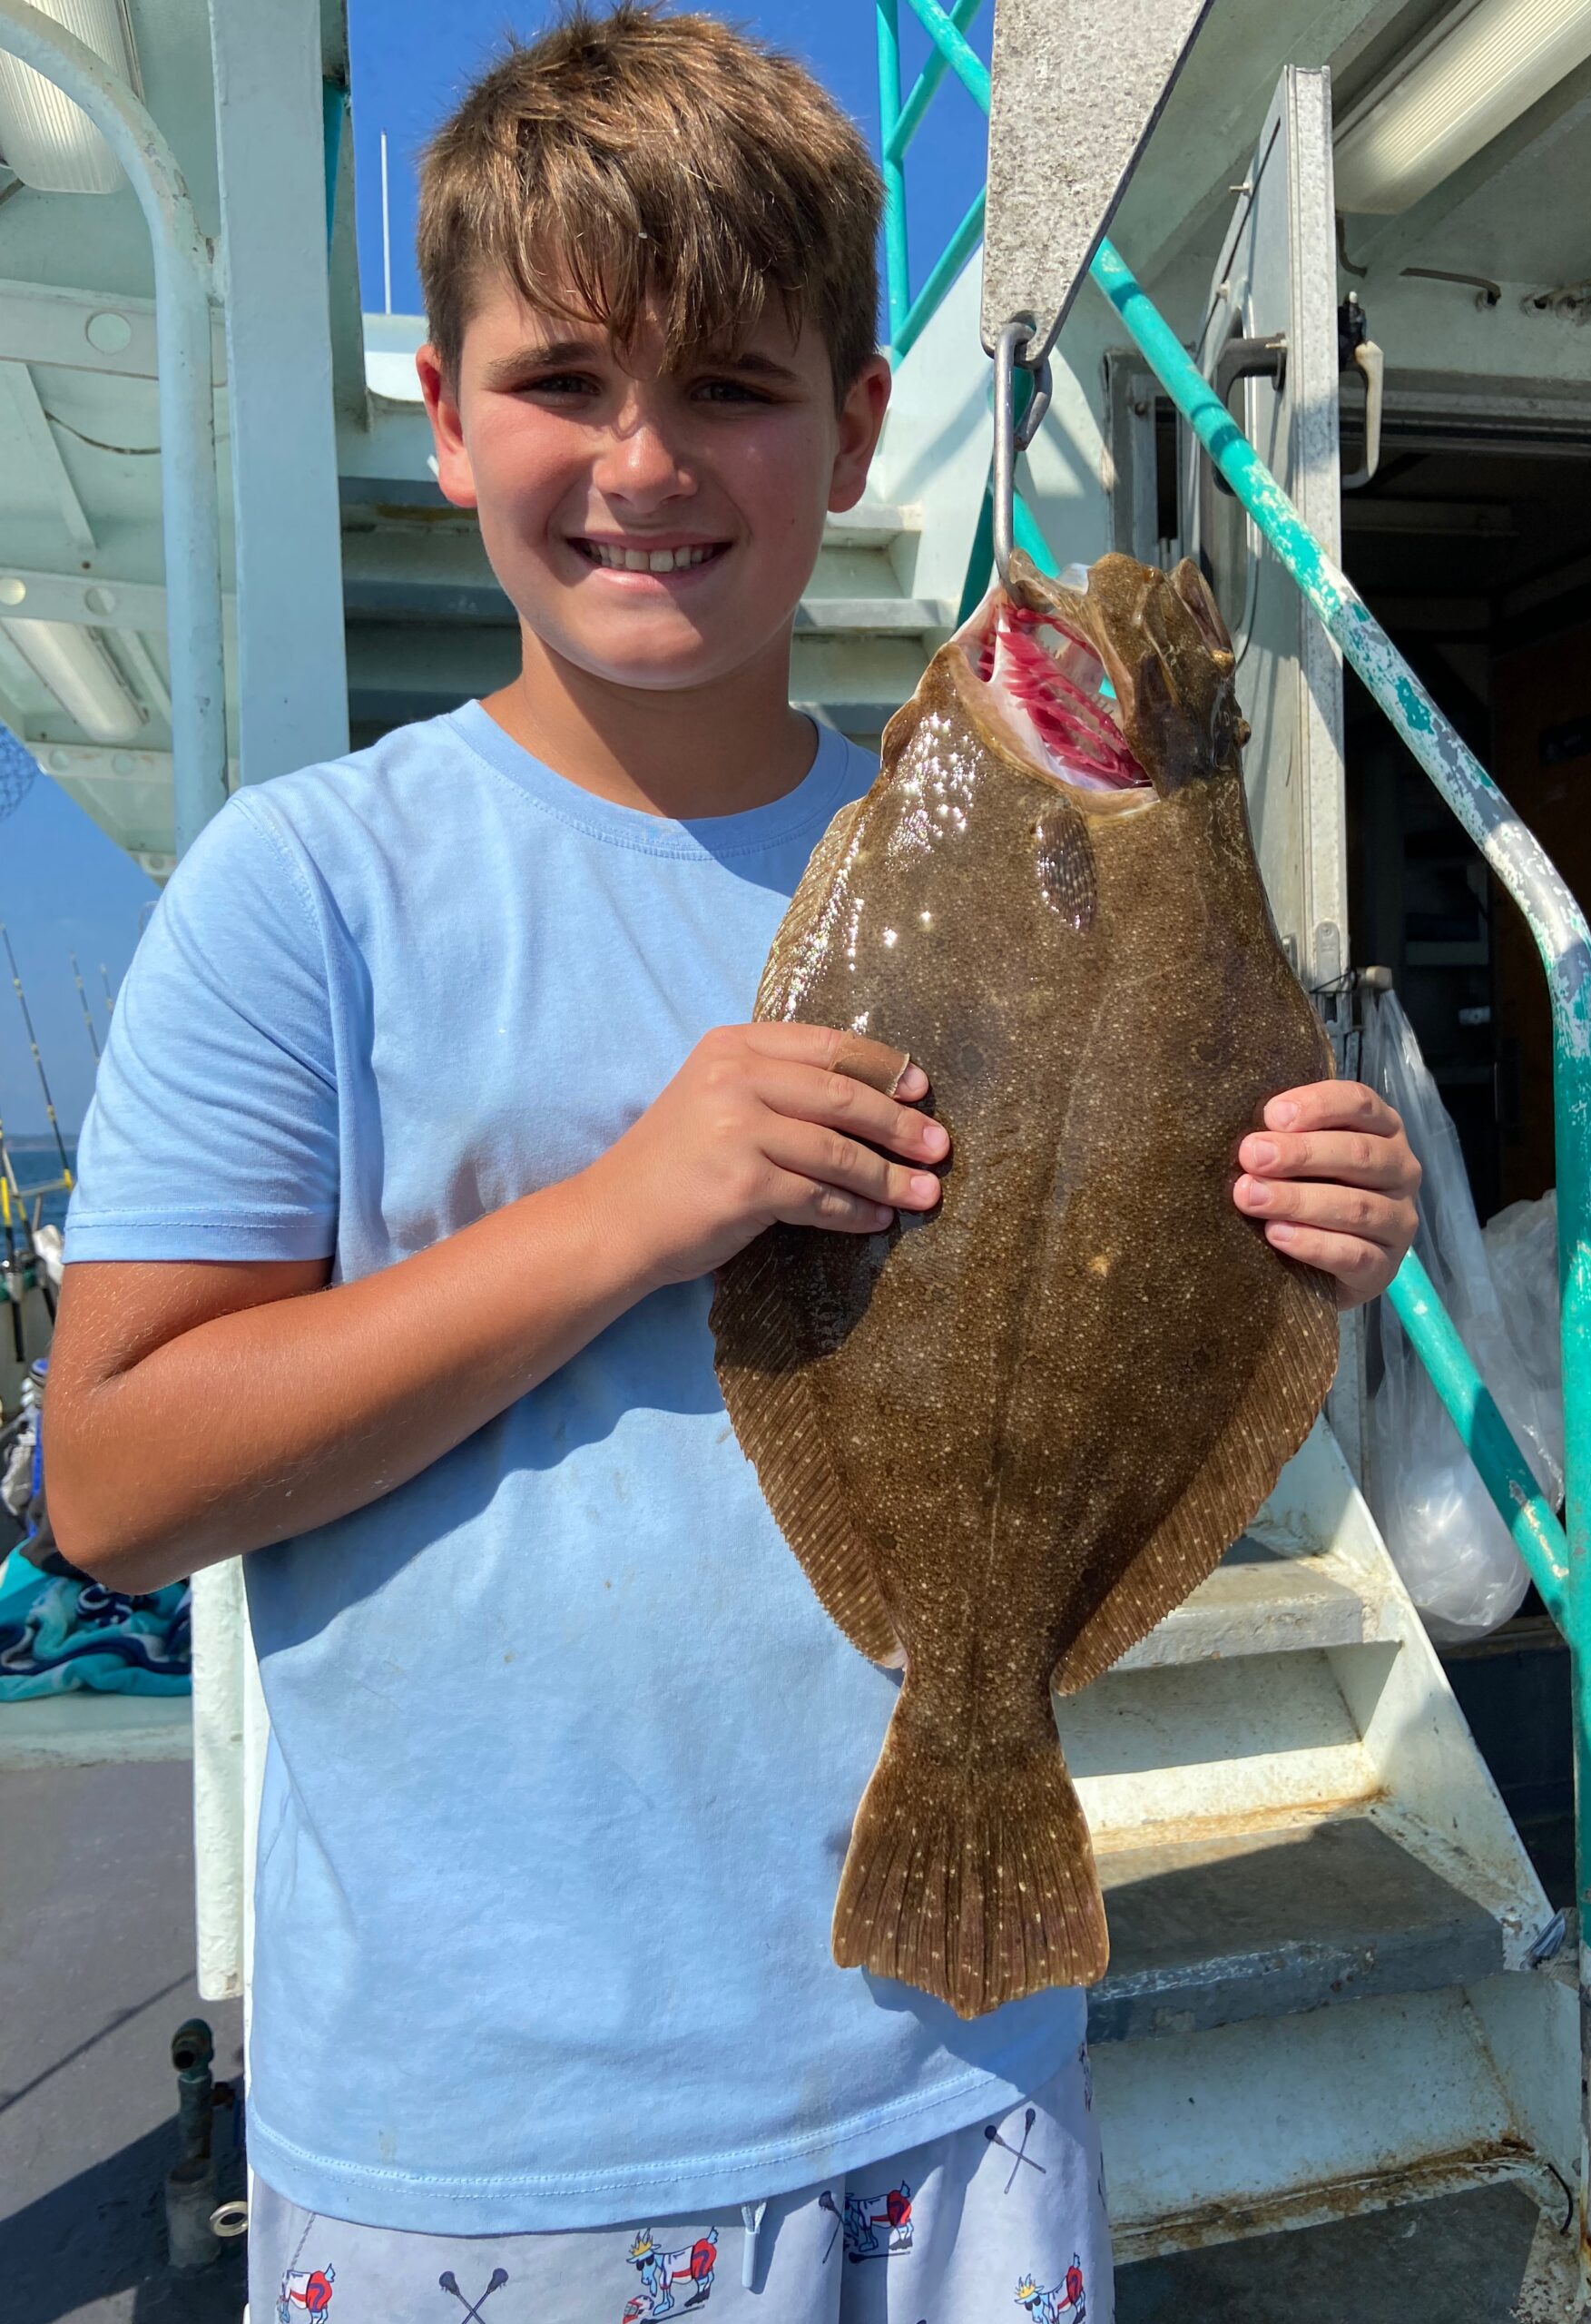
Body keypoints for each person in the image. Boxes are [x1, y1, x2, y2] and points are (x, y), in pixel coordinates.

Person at [44, 7, 1422, 2318]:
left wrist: (1299, 1226)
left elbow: (1144, 1284)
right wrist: (623, 1215)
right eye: (566, 380)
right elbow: (113, 1481)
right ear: (445, 412)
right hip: (488, 2137)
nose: (647, 458)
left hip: (968, 2079)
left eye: (737, 389)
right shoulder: (307, 890)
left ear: (861, 428)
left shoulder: (1030, 851)